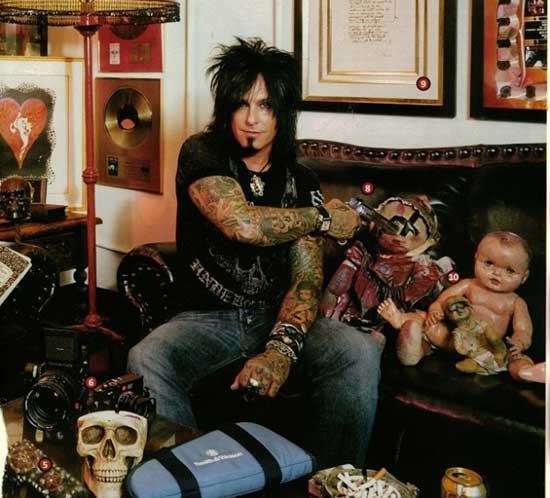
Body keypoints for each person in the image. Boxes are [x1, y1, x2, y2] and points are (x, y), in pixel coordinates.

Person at [127, 37, 383, 469]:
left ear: (283, 112)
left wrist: (281, 350)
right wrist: (323, 218)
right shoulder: (202, 152)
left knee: (357, 350)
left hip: (274, 314)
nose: (251, 119)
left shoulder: (301, 181)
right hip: (207, 319)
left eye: (265, 106)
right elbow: (241, 224)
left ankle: (332, 481)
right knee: (146, 357)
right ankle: (193, 477)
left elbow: (305, 280)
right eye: (241, 104)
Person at [399, 231, 534, 380]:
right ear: (476, 258)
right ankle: (415, 349)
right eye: (489, 263)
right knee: (425, 321)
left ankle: (525, 371)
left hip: (489, 349)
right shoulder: (469, 285)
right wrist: (435, 311)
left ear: (524, 277)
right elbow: (442, 301)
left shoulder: (515, 302)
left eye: (509, 271)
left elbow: (523, 330)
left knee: (515, 358)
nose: (496, 273)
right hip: (454, 340)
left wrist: (519, 342)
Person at [443, 295, 507, 375]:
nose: (459, 310)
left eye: (461, 305)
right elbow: (459, 347)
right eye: (453, 309)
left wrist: (498, 352)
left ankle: (499, 355)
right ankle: (481, 368)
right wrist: (467, 352)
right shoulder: (458, 333)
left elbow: (495, 339)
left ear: (470, 308)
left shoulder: (482, 324)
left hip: (492, 351)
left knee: (493, 338)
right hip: (476, 357)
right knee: (461, 366)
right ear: (449, 316)